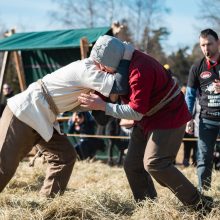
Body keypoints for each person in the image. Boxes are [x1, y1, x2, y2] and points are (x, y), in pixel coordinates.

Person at [78, 35, 213, 212]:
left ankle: (201, 205)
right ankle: (148, 208)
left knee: (155, 163)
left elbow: (136, 111)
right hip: (148, 118)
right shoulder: (122, 62)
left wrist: (103, 106)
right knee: (132, 165)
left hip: (168, 115)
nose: (101, 69)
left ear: (112, 59)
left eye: (102, 64)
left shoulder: (139, 69)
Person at [0, 39, 134, 198]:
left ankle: (48, 204)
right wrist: (127, 57)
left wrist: (110, 98)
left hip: (44, 116)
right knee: (4, 167)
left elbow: (102, 118)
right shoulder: (87, 69)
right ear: (105, 62)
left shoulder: (95, 76)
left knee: (64, 157)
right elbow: (119, 85)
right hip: (26, 111)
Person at [185, 28, 220, 192]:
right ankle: (204, 195)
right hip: (206, 120)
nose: (206, 48)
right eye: (202, 45)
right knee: (203, 159)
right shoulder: (197, 67)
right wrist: (188, 118)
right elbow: (190, 96)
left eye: (209, 44)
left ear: (218, 43)